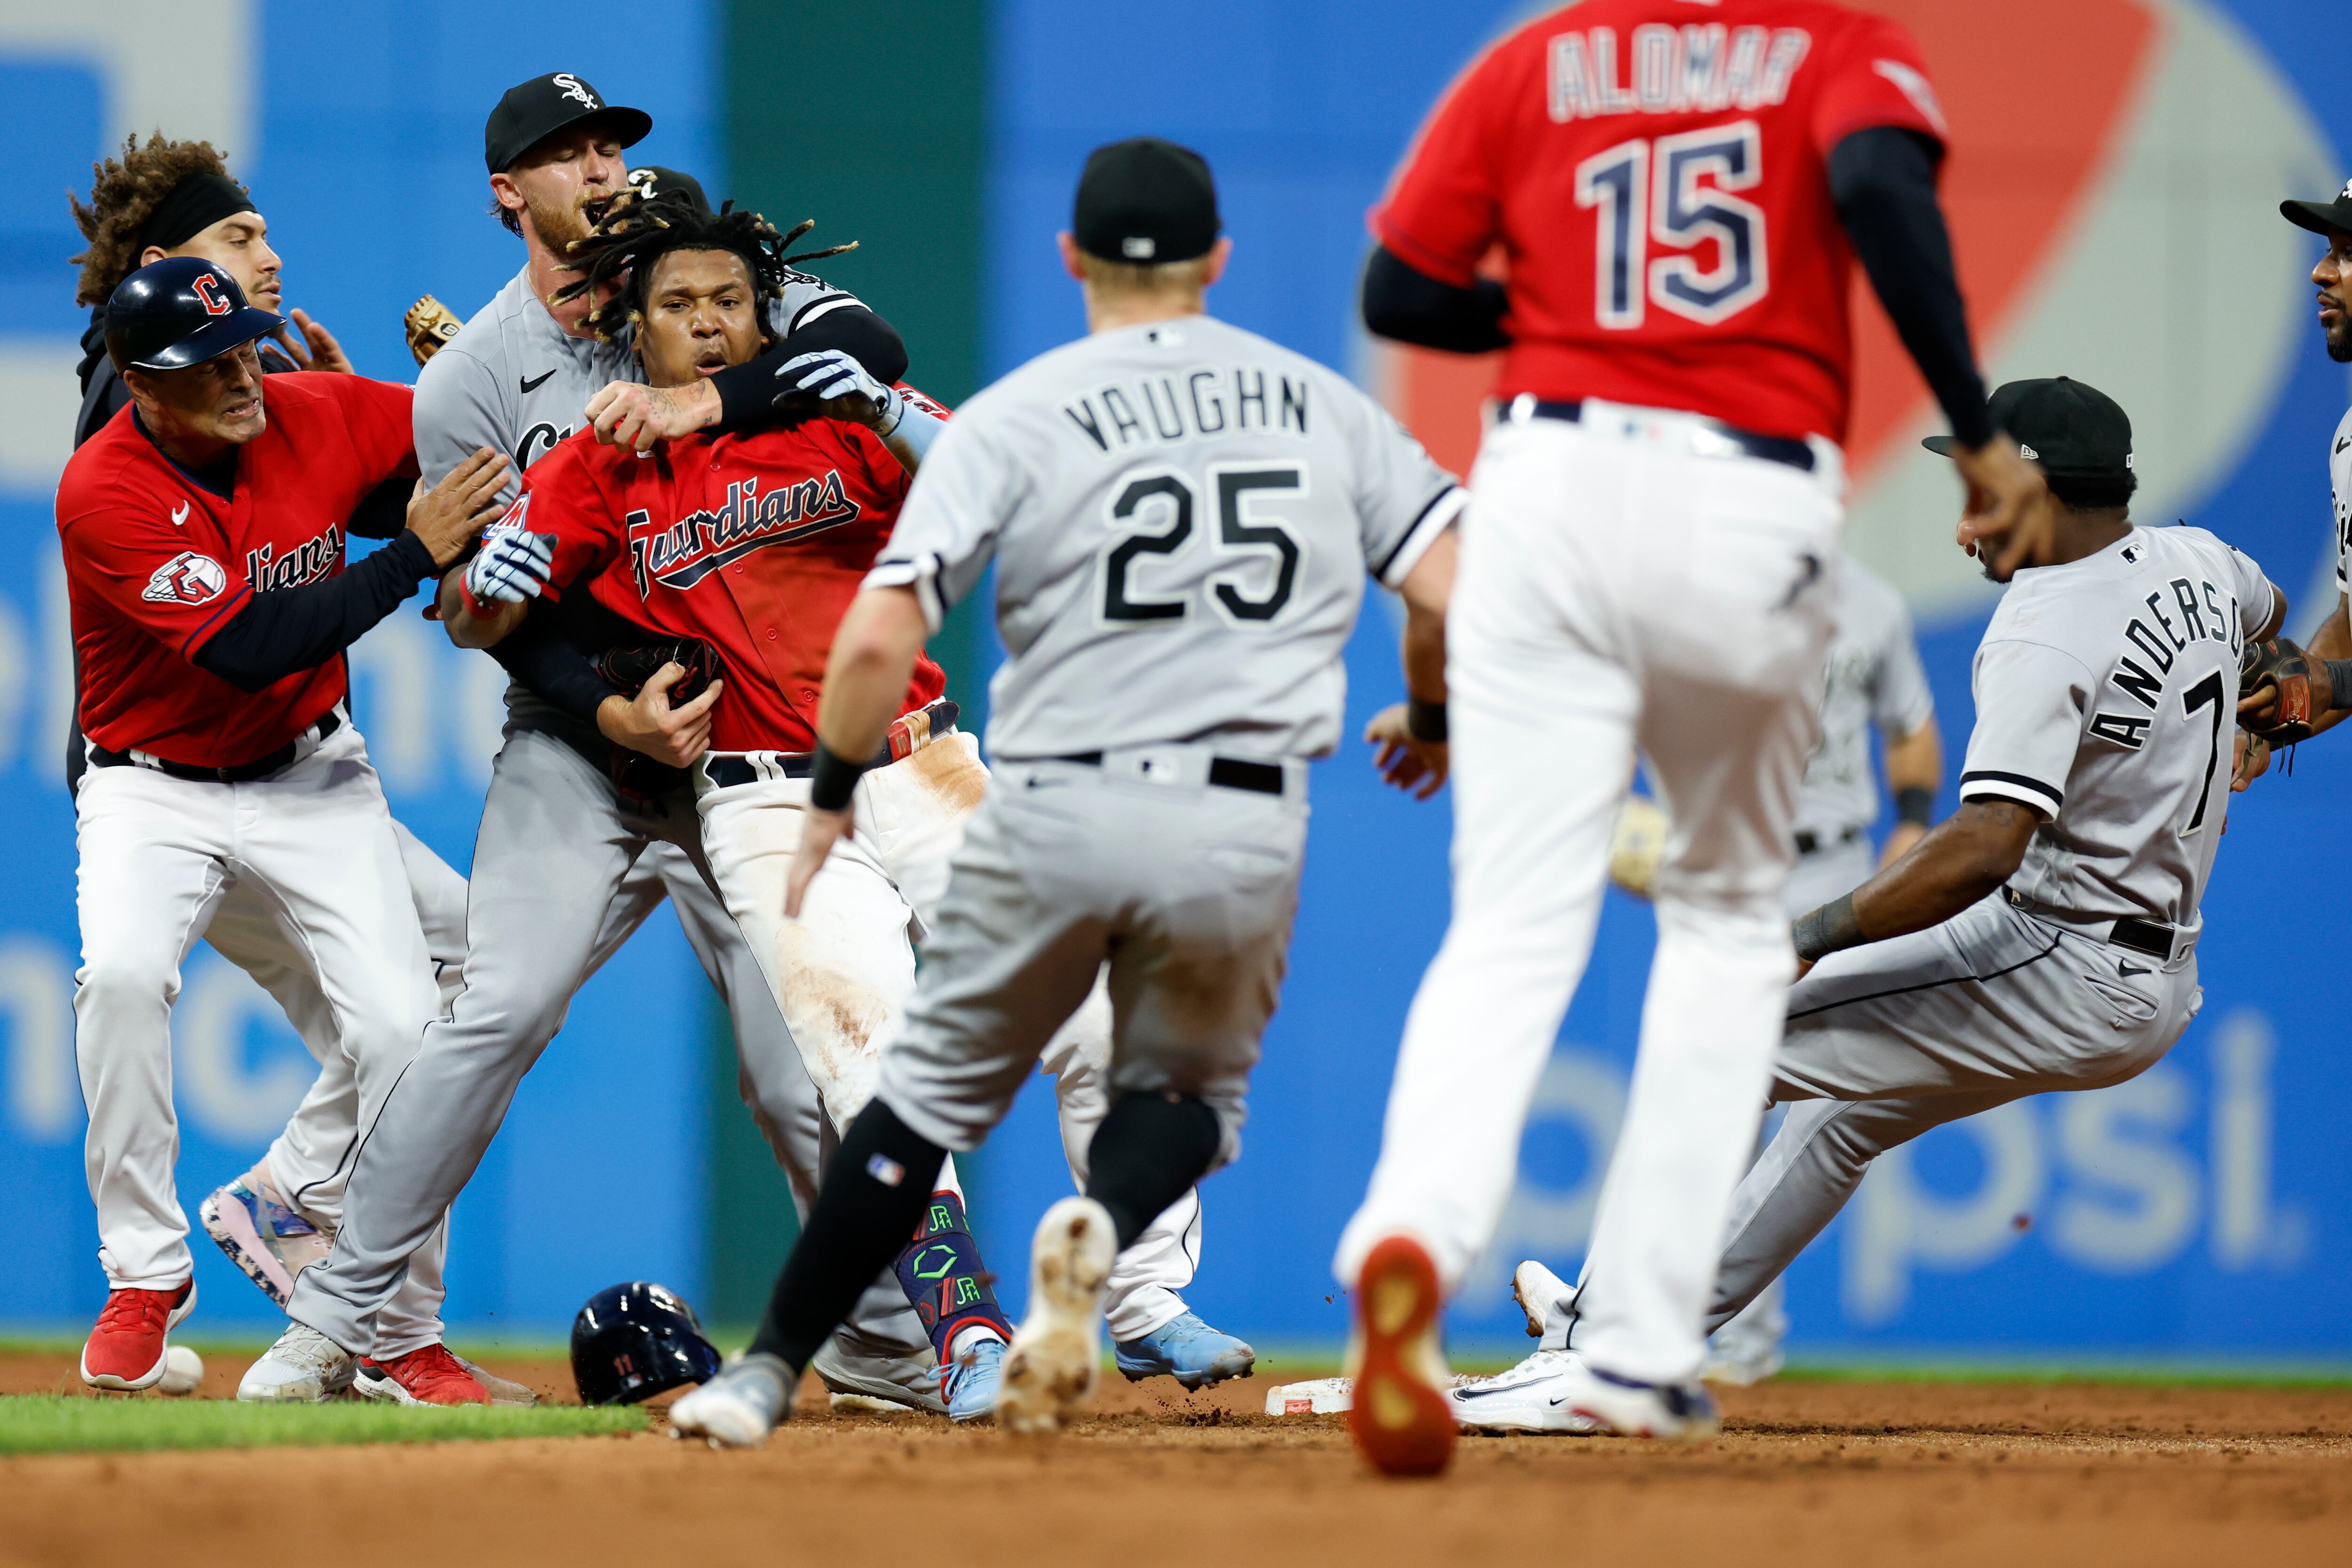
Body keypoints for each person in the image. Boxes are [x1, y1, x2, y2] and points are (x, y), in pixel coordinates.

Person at [653, 136, 1463, 1450]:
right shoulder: (1319, 402)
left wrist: (828, 799)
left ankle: (771, 1368)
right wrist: (1430, 714)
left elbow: (875, 639)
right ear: (1221, 258)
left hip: (1055, 797)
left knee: (912, 1098)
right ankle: (1081, 1261)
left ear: (1072, 257)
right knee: (1169, 1090)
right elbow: (1451, 592)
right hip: (1244, 815)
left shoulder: (1033, 410)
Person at [1336, 0, 2058, 1472]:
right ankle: (1644, 1348)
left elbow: (1402, 290)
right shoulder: (1827, 44)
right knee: (1729, 924)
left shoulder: (1538, 57)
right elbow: (1873, 188)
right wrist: (1975, 426)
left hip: (1541, 481)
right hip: (1745, 491)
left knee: (1509, 924)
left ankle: (1409, 1238)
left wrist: (1544, 322)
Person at [445, 187, 1254, 1402]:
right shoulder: (597, 460)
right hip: (764, 805)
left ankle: (1140, 1301)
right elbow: (487, 617)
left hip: (926, 765)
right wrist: (489, 574)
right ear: (635, 324)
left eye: (730, 300)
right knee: (865, 1066)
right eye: (679, 304)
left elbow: (1006, 480)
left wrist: (878, 402)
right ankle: (969, 1334)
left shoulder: (830, 404)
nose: (710, 322)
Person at [232, 75, 946, 1411]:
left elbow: (879, 354)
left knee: (803, 1064)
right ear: (511, 193)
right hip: (584, 744)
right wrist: (602, 706)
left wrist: (711, 394)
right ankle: (331, 1323)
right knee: (494, 1009)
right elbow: (483, 612)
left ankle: (878, 1346)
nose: (603, 167)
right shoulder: (474, 380)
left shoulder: (727, 299)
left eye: (613, 143)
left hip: (752, 750)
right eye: (568, 154)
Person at [1454, 378, 2282, 1431]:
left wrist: (1799, 938)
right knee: (1838, 1124)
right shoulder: (2203, 561)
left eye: (1978, 487)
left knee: (1719, 1033)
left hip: (2057, 949)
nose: (1963, 518)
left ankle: (1600, 1360)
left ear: (2032, 480)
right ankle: (1622, 1333)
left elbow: (1982, 847)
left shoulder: (2046, 626)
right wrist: (2265, 710)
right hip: (2142, 962)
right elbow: (2271, 618)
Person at [64, 134, 492, 1390]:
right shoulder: (107, 485)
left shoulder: (304, 403)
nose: (243, 373)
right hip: (154, 783)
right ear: (144, 382)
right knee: (124, 975)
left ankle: (375, 1304)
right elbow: (250, 641)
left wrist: (467, 405)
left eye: (246, 343)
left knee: (414, 1028)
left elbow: (454, 460)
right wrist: (407, 549)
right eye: (210, 363)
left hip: (309, 775)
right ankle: (146, 1273)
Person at [1599, 554, 1944, 1384]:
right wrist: (1617, 818)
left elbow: (1913, 727)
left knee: (1810, 1109)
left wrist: (1911, 827)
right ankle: (1648, 1325)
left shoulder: (1872, 600)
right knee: (1702, 1099)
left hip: (1835, 873)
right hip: (1720, 871)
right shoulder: (1687, 598)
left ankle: (1740, 1347)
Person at [2240, 184, 2352, 755]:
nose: (2319, 271)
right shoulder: (2347, 438)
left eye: (2346, 254)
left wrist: (2331, 684)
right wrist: (2271, 733)